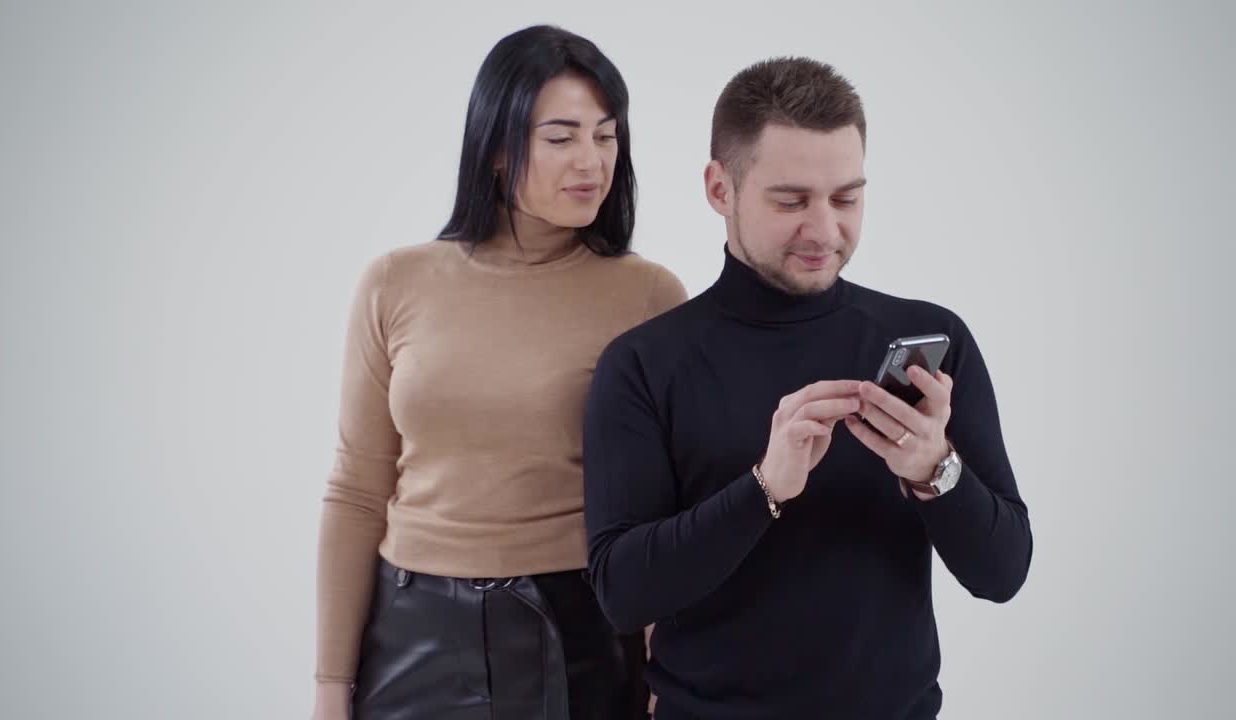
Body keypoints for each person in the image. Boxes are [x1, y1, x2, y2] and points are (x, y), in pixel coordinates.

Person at [583, 56, 1033, 719]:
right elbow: (622, 593)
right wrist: (765, 489)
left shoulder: (932, 338)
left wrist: (935, 471)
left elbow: (1003, 574)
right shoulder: (645, 364)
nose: (825, 230)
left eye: (847, 198)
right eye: (791, 201)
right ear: (719, 189)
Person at [313, 25, 686, 720]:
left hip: (579, 628)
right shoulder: (395, 283)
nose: (591, 161)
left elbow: (662, 513)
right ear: (495, 147)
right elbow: (357, 491)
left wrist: (668, 679)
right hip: (410, 629)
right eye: (562, 137)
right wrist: (330, 689)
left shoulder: (648, 296)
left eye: (606, 136)